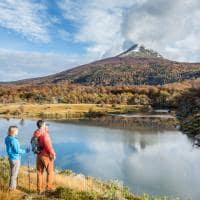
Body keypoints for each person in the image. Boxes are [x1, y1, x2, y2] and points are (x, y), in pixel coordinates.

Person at [33, 120, 56, 194]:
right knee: (50, 172)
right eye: (46, 125)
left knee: (39, 172)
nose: (47, 126)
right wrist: (53, 154)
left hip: (39, 154)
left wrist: (46, 130)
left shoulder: (36, 133)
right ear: (42, 126)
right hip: (46, 155)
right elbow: (48, 146)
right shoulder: (45, 134)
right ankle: (48, 189)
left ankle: (39, 190)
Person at [5, 126, 30, 190]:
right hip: (15, 158)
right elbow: (17, 150)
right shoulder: (14, 140)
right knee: (14, 174)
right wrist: (25, 151)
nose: (18, 131)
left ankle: (13, 186)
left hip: (10, 157)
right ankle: (12, 188)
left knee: (12, 172)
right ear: (14, 132)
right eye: (17, 130)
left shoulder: (7, 138)